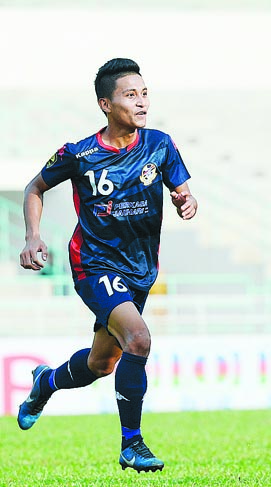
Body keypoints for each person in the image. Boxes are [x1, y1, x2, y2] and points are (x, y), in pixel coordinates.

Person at [17, 58, 197, 473]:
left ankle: (45, 383)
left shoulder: (160, 145)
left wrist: (186, 200)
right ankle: (132, 445)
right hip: (93, 264)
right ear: (105, 104)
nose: (141, 102)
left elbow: (183, 190)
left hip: (140, 270)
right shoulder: (79, 154)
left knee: (102, 364)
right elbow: (34, 187)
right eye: (130, 95)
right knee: (139, 339)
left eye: (144, 93)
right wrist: (32, 236)